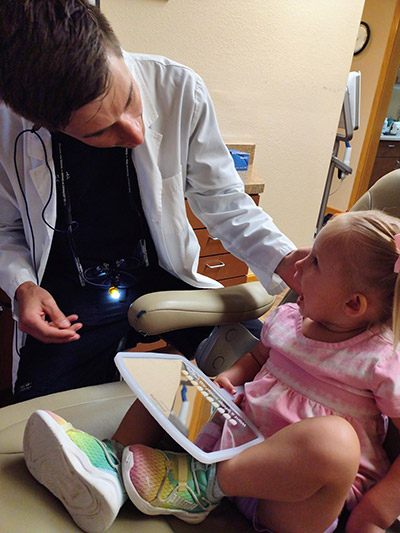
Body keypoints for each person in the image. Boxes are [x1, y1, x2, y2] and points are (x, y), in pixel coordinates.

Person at [0, 0, 305, 401]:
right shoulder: (9, 127)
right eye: (100, 132)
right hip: (69, 300)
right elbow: (5, 229)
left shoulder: (178, 87)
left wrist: (290, 263)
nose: (135, 134)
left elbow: (224, 200)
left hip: (163, 276)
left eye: (129, 101)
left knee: (280, 375)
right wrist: (22, 286)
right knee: (45, 427)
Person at [23, 210, 400, 533]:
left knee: (334, 442)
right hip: (237, 443)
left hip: (297, 494)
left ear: (353, 304)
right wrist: (229, 379)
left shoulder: (380, 359)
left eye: (315, 262)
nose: (297, 264)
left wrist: (376, 514)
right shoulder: (290, 319)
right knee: (178, 376)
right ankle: (108, 465)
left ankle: (199, 485)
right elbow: (257, 358)